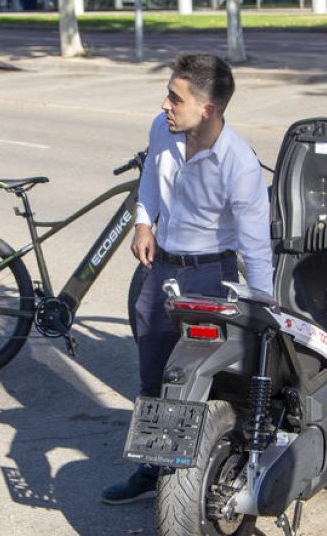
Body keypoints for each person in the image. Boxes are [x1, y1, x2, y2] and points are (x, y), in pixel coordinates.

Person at [101, 53, 273, 505]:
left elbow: (256, 249)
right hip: (161, 273)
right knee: (153, 373)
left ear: (208, 109)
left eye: (175, 99)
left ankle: (195, 482)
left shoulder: (239, 163)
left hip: (211, 275)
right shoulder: (163, 130)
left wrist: (264, 314)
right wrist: (144, 223)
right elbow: (149, 184)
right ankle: (153, 468)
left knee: (202, 381)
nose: (164, 105)